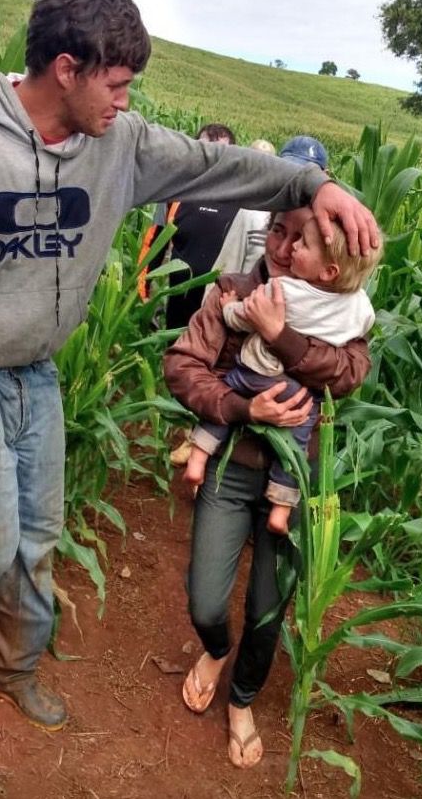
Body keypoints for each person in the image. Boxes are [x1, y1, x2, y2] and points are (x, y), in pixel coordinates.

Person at [0, 0, 378, 732]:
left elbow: (223, 167)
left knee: (38, 536)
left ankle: (8, 664)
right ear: (65, 69)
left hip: (34, 373)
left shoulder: (120, 146)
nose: (125, 101)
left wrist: (314, 182)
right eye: (116, 84)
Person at [163, 207, 374, 768]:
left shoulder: (340, 311)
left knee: (266, 608)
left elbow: (350, 373)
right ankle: (214, 649)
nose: (283, 247)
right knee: (207, 600)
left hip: (296, 477)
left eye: (298, 236)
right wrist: (241, 407)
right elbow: (184, 366)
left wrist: (280, 336)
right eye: (277, 230)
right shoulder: (234, 292)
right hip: (232, 467)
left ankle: (242, 699)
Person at [185, 216, 381, 534]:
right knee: (299, 437)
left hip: (257, 374)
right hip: (301, 398)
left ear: (328, 269)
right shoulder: (358, 306)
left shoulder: (281, 290)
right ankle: (282, 503)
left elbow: (241, 318)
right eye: (278, 231)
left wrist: (239, 313)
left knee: (224, 389)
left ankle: (197, 456)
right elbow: (357, 345)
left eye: (302, 241)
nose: (290, 248)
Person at [138, 123, 239, 330]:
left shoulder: (242, 198)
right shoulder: (175, 192)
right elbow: (153, 245)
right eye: (203, 150)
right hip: (178, 303)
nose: (210, 159)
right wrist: (145, 296)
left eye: (218, 152)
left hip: (219, 309)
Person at [209, 135, 330, 279]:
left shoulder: (326, 228)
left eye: (307, 175)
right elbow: (227, 263)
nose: (298, 182)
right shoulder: (253, 212)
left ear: (325, 175)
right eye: (291, 171)